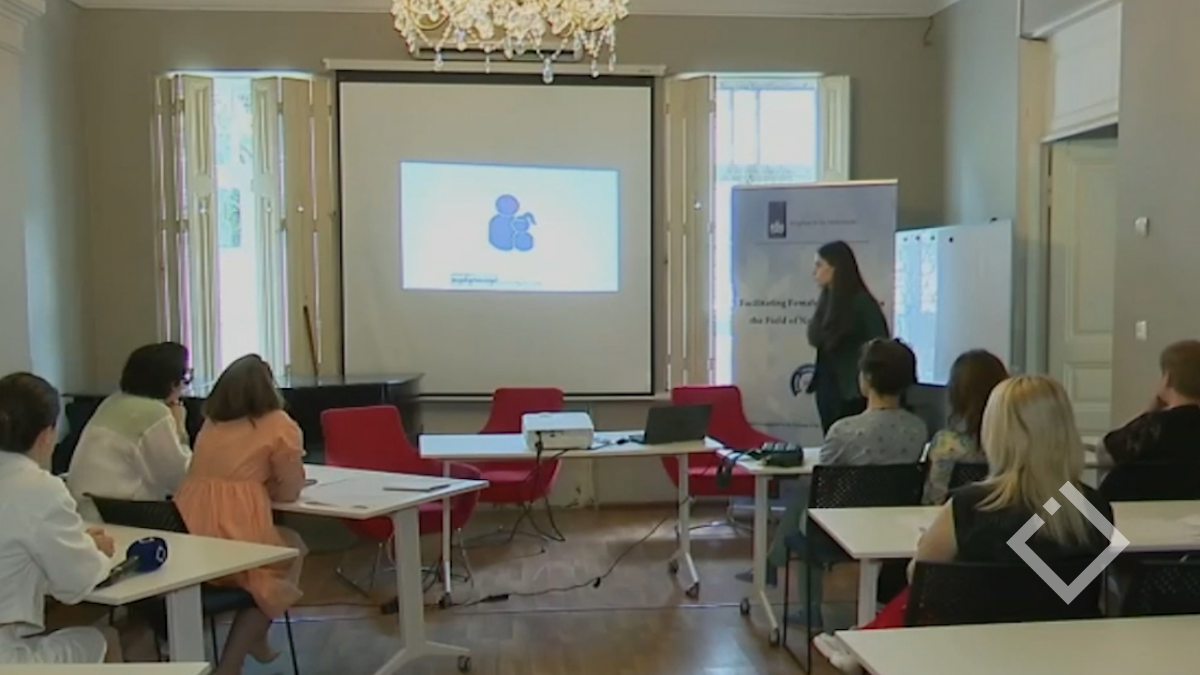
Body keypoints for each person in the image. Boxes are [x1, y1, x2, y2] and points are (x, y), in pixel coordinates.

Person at [813, 375, 1114, 674]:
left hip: (971, 653)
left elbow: (920, 578)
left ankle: (864, 644)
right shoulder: (1096, 507)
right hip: (1067, 652)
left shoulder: (971, 506)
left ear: (997, 432)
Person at [741, 340, 927, 622]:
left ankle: (803, 601)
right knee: (806, 496)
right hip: (893, 525)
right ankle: (770, 562)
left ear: (867, 378)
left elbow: (825, 478)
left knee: (807, 500)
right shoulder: (918, 428)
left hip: (841, 529)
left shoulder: (844, 430)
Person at [173, 355, 306, 675]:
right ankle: (236, 657)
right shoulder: (279, 424)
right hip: (235, 525)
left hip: (189, 526)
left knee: (269, 564)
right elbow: (290, 490)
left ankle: (253, 640)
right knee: (288, 555)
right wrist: (265, 489)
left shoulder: (212, 423)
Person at [0, 372, 122, 664]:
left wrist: (77, 543)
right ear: (47, 434)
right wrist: (95, 550)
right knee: (104, 638)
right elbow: (76, 583)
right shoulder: (38, 487)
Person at [67, 342, 193, 521]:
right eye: (185, 379)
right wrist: (180, 426)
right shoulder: (154, 413)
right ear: (172, 383)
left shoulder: (112, 402)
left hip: (85, 509)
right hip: (121, 515)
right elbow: (180, 479)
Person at [807, 241, 890, 433]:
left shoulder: (862, 303)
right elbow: (816, 338)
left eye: (819, 265)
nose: (814, 272)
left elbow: (881, 345)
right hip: (827, 386)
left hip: (852, 391)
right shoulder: (826, 300)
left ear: (836, 267)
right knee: (831, 440)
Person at [922, 350, 1010, 505]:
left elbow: (934, 499)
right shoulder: (1019, 444)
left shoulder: (946, 443)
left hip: (955, 517)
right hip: (1005, 517)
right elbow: (1049, 506)